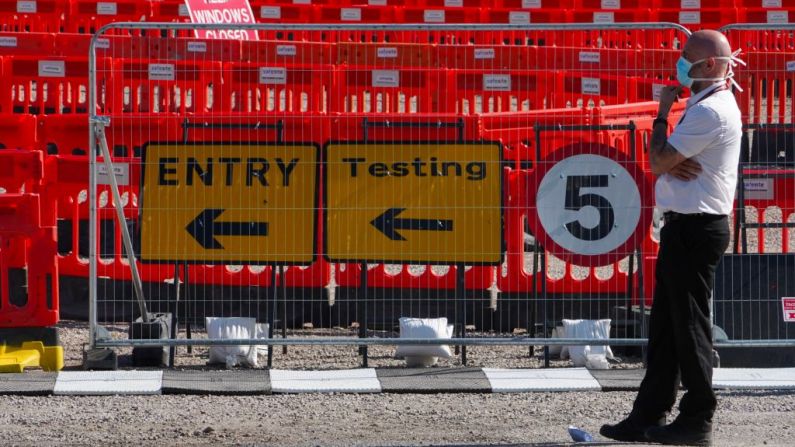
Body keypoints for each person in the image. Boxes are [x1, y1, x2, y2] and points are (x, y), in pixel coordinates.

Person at [600, 30, 744, 446]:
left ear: (711, 65)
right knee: (665, 327)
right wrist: (668, 159)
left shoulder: (710, 111)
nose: (681, 63)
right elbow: (664, 161)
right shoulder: (705, 106)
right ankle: (649, 413)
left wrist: (663, 115)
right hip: (684, 226)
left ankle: (698, 417)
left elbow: (658, 159)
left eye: (688, 58)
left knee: (689, 326)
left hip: (696, 228)